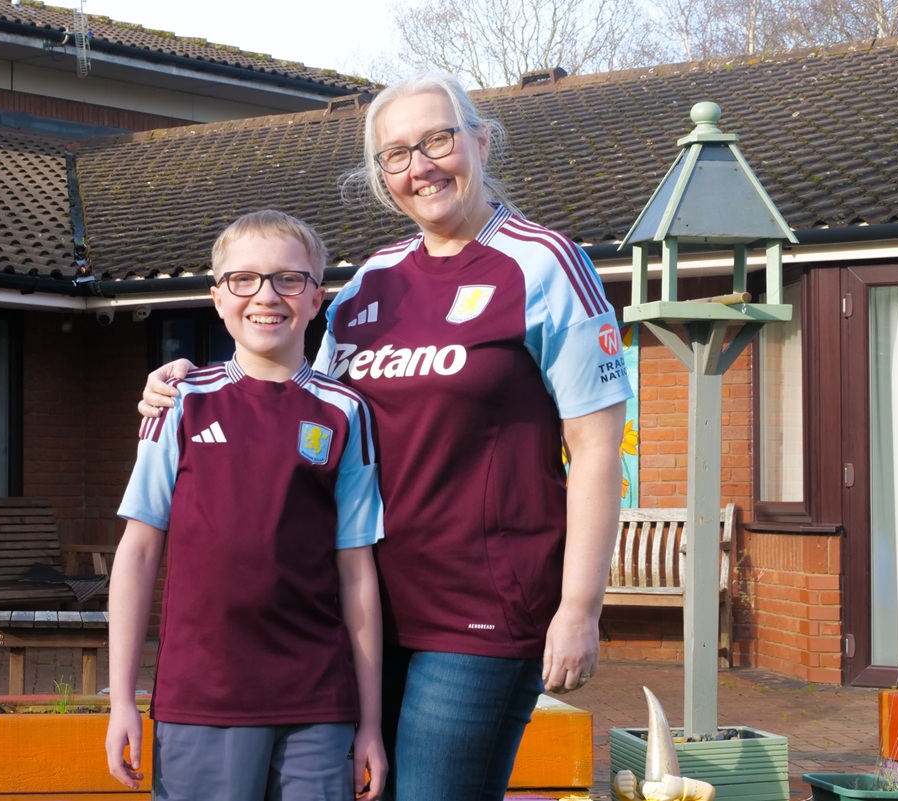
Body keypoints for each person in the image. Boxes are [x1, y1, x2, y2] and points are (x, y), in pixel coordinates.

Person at [138, 73, 631, 801]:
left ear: (481, 141)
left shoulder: (544, 265)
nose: (420, 166)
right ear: (380, 177)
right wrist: (184, 379)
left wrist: (579, 607)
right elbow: (299, 400)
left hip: (479, 616)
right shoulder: (372, 282)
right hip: (359, 612)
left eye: (438, 140)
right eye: (396, 154)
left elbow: (596, 447)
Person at [107, 209, 388, 801]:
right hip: (202, 698)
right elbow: (136, 555)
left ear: (318, 300)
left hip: (317, 702)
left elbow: (357, 573)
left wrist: (369, 723)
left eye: (289, 279)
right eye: (244, 279)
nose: (266, 295)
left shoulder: (345, 412)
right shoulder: (180, 404)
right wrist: (122, 702)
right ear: (217, 297)